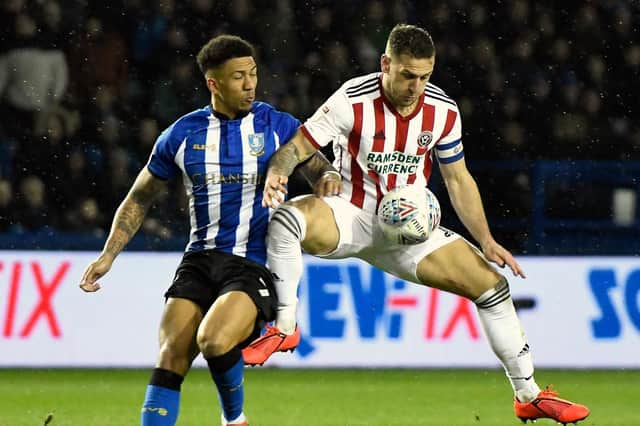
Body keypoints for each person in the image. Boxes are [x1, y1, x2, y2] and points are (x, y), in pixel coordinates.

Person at [242, 24, 590, 425]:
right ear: (386, 64)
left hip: (409, 230)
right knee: (286, 219)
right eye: (407, 75)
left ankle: (527, 395)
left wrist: (486, 239)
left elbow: (458, 179)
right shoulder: (351, 100)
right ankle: (285, 326)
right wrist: (277, 174)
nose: (416, 86)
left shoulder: (443, 110)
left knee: (493, 288)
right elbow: (297, 147)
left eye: (425, 76)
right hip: (351, 214)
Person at [79, 34, 337, 426]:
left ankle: (234, 420)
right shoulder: (182, 135)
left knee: (214, 340)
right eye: (238, 77)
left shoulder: (277, 124)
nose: (250, 84)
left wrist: (329, 177)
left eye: (253, 73)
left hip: (253, 263)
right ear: (213, 84)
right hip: (199, 260)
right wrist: (108, 254)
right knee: (170, 356)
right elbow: (138, 198)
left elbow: (318, 166)